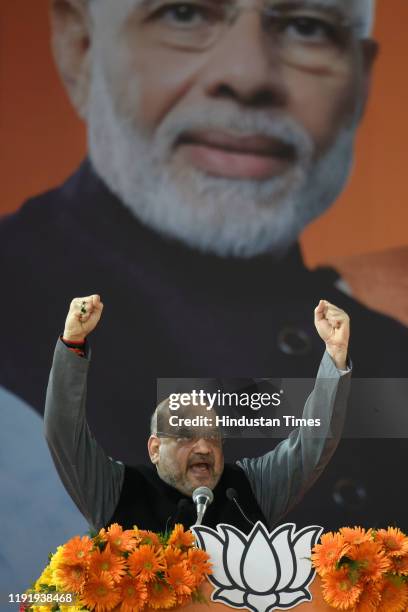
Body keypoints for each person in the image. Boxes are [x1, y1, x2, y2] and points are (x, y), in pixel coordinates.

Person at [1, 0, 408, 529]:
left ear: (361, 80)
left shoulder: (387, 353)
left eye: (308, 27)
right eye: (184, 14)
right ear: (80, 47)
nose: (247, 75)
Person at [45, 295, 351, 532]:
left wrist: (334, 359)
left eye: (213, 438)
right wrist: (73, 343)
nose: (204, 448)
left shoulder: (246, 488)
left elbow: (313, 444)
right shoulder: (115, 489)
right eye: (186, 437)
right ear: (155, 448)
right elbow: (64, 434)